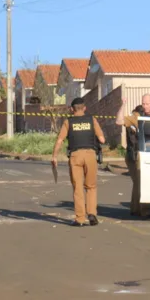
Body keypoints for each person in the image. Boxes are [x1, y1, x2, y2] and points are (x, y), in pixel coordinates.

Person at [52, 97, 106, 227]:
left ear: (72, 109)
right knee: (91, 186)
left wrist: (54, 156)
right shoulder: (92, 120)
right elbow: (102, 140)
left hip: (75, 156)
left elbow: (60, 140)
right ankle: (92, 213)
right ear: (85, 108)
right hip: (90, 155)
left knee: (77, 187)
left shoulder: (68, 122)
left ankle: (80, 218)